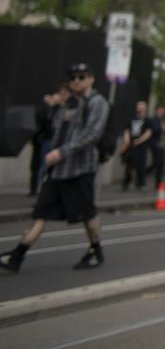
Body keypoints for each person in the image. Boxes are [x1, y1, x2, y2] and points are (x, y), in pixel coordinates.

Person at [1, 63, 109, 273]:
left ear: (91, 79)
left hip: (80, 169)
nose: (76, 80)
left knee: (87, 214)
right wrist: (53, 107)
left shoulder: (97, 103)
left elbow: (91, 134)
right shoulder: (67, 104)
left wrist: (62, 152)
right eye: (73, 77)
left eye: (81, 76)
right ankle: (17, 255)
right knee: (41, 212)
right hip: (58, 171)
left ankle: (96, 249)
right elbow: (50, 129)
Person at [28, 84, 67, 195]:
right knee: (42, 168)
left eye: (64, 94)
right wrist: (49, 106)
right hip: (46, 140)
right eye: (61, 93)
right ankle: (38, 191)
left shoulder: (65, 108)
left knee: (49, 168)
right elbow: (44, 121)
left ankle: (45, 193)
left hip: (56, 142)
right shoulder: (50, 108)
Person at [120, 101, 155, 192]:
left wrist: (139, 140)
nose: (139, 108)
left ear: (145, 108)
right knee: (129, 165)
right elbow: (127, 130)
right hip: (131, 145)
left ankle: (140, 183)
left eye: (141, 106)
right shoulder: (132, 119)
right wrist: (127, 141)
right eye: (138, 106)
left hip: (141, 146)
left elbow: (149, 133)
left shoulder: (148, 120)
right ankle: (126, 182)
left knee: (141, 165)